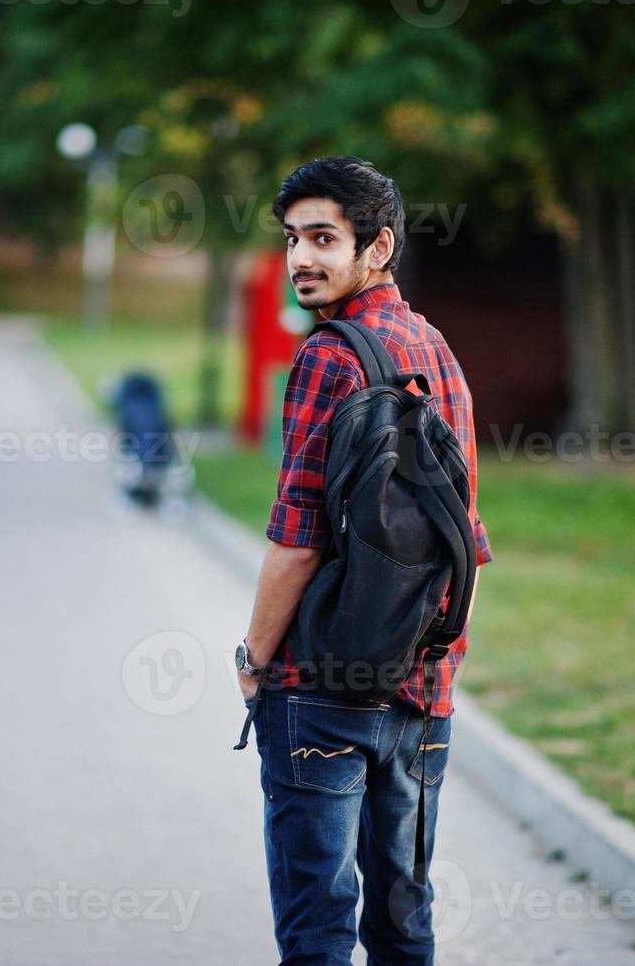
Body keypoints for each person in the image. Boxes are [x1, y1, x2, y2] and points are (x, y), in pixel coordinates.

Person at [232, 157, 493, 965]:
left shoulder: (328, 357)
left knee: (317, 930)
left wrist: (254, 658)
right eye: (291, 240)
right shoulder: (434, 346)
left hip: (323, 688)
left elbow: (296, 535)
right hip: (423, 689)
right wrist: (443, 654)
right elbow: (467, 530)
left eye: (322, 239)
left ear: (376, 248)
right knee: (402, 924)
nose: (300, 259)